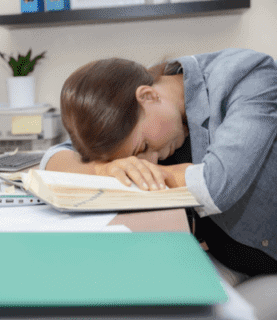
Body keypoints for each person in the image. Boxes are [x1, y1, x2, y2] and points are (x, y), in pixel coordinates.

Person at [41, 48, 277, 277]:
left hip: (265, 258)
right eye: (137, 160)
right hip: (213, 257)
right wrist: (106, 168)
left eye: (142, 147)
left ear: (148, 96)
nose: (151, 160)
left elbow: (216, 185)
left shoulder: (247, 75)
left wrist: (144, 173)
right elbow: (53, 160)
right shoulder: (131, 118)